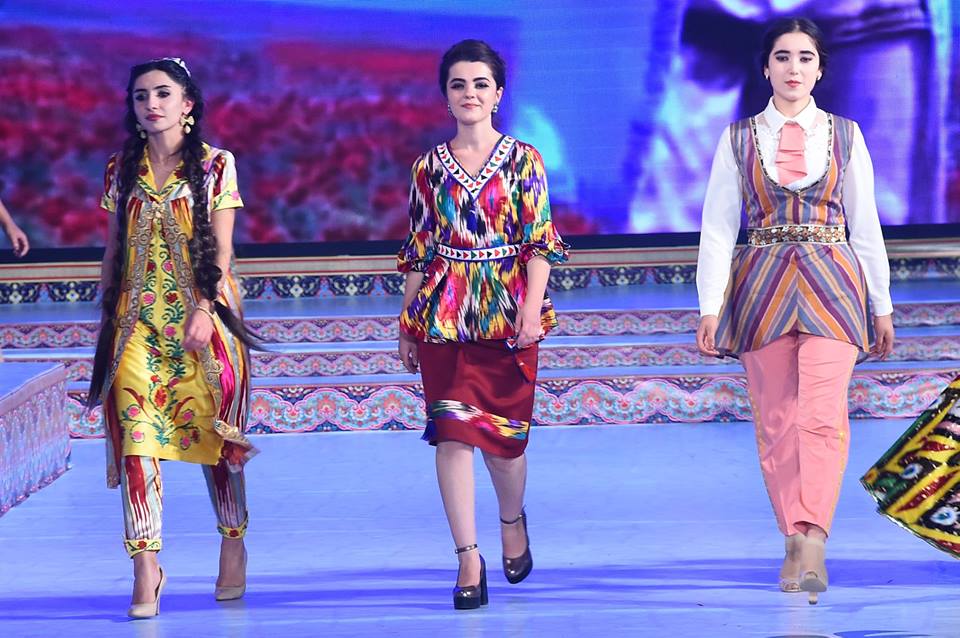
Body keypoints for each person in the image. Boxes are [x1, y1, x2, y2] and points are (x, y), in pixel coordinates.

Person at [695, 18, 895, 604]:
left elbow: (866, 224)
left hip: (834, 286)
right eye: (782, 57)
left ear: (820, 68)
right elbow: (717, 228)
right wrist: (710, 305)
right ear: (766, 67)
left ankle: (815, 538)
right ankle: (792, 533)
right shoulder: (738, 139)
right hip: (761, 287)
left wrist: (881, 303)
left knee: (823, 415)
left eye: (805, 57)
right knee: (777, 418)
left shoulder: (846, 136)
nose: (793, 68)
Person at [397, 39, 568, 610]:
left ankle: (512, 519)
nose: (469, 93)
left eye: (480, 84)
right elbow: (419, 248)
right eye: (458, 84)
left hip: (507, 312)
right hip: (443, 314)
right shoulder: (427, 168)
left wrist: (531, 309)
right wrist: (407, 321)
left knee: (504, 445)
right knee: (450, 431)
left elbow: (540, 241)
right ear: (445, 96)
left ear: (498, 94)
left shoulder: (524, 160)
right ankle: (468, 557)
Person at [87, 57, 258, 618]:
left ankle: (232, 541)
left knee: (217, 442)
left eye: (163, 93)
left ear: (187, 104)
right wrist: (106, 315)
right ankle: (146, 567)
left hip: (202, 324)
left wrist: (206, 308)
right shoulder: (120, 169)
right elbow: (113, 249)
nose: (151, 104)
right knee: (137, 440)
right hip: (136, 327)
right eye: (141, 96)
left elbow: (223, 249)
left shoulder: (216, 165)